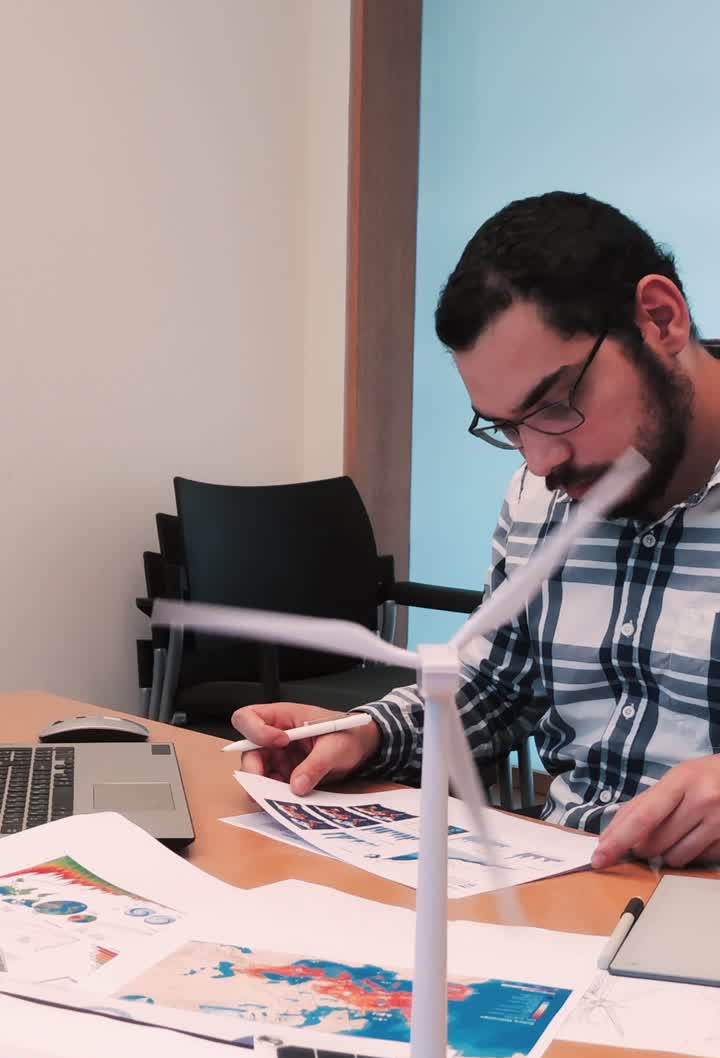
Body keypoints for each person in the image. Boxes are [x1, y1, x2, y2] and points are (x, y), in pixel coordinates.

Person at [232, 191, 720, 872]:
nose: (541, 462)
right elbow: (498, 686)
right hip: (571, 883)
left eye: (556, 405)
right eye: (508, 427)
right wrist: (365, 734)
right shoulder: (539, 492)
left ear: (660, 319)